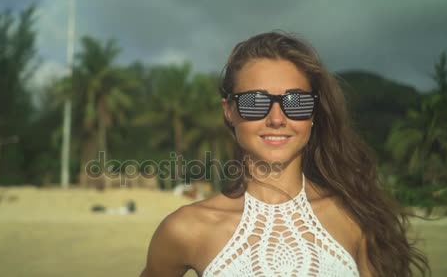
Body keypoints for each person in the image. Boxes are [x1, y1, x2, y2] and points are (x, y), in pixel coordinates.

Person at [140, 31, 429, 276]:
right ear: (229, 111)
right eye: (255, 102)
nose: (277, 118)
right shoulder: (185, 229)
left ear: (313, 112)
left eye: (296, 102)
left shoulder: (355, 216)